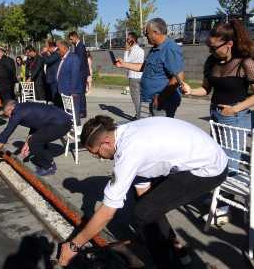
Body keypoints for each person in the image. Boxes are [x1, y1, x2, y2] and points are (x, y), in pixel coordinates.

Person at [58, 115, 228, 269]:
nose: (98, 158)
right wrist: (147, 230)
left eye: (95, 152)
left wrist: (74, 244)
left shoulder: (129, 150)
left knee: (144, 212)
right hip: (198, 156)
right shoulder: (124, 131)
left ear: (106, 142)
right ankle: (175, 248)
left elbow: (107, 212)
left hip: (209, 168)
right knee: (146, 209)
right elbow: (142, 185)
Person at [182, 18, 254, 220]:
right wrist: (189, 91)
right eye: (209, 46)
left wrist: (234, 109)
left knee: (230, 163)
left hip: (236, 118)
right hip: (215, 115)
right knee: (216, 159)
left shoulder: (245, 63)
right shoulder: (212, 61)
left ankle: (224, 206)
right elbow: (205, 89)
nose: (210, 51)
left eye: (214, 48)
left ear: (229, 44)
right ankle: (219, 194)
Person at [115, 18, 184, 118]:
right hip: (154, 100)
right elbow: (145, 67)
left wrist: (161, 96)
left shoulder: (170, 49)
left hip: (164, 103)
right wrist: (124, 64)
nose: (145, 36)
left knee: (159, 131)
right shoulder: (155, 48)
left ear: (155, 32)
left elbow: (178, 77)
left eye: (147, 33)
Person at [0, 100, 72, 176]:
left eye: (6, 114)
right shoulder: (23, 106)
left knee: (34, 142)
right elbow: (35, 124)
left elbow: (5, 134)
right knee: (37, 139)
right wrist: (26, 143)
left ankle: (48, 167)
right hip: (60, 121)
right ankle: (49, 163)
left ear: (10, 109)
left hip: (61, 124)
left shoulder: (16, 114)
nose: (8, 117)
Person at [55, 40, 83, 126]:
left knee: (73, 112)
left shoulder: (73, 58)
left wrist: (73, 90)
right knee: (67, 112)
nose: (58, 51)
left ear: (64, 48)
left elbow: (75, 75)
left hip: (71, 90)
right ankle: (69, 128)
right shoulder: (63, 58)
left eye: (59, 49)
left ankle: (76, 130)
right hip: (63, 89)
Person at [123, 32, 144, 120]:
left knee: (135, 98)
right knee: (139, 98)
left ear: (132, 41)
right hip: (140, 76)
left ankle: (139, 116)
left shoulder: (133, 50)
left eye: (128, 39)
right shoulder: (141, 50)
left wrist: (126, 51)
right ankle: (139, 115)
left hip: (134, 76)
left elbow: (125, 62)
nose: (126, 42)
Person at [69, 31, 90, 118]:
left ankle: (82, 111)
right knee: (80, 92)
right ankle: (81, 110)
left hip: (81, 73)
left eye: (71, 39)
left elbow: (79, 62)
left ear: (75, 37)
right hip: (82, 73)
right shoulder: (78, 46)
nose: (70, 41)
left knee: (81, 93)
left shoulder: (80, 47)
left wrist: (76, 72)